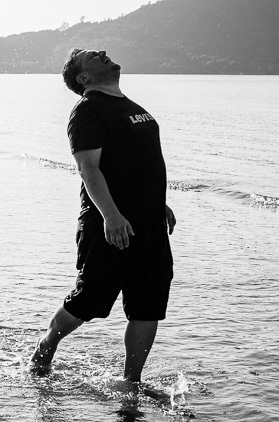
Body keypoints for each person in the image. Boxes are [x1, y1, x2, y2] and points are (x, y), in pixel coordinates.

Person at [31, 49, 177, 384]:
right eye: (92, 56)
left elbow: (140, 162)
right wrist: (111, 216)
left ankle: (131, 382)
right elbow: (88, 168)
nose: (103, 53)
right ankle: (46, 345)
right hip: (109, 225)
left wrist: (159, 203)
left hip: (150, 226)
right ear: (83, 77)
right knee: (88, 301)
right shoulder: (88, 109)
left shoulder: (132, 107)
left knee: (148, 306)